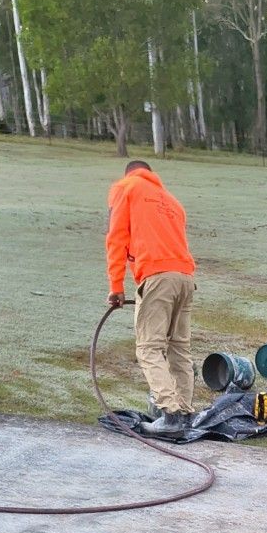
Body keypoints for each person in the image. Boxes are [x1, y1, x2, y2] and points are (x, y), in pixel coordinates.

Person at [105, 160, 197, 438]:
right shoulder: (171, 201)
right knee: (179, 349)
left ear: (129, 173)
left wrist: (116, 286)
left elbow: (116, 238)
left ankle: (170, 415)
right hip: (186, 278)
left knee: (149, 348)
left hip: (157, 278)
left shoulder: (126, 188)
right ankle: (185, 413)